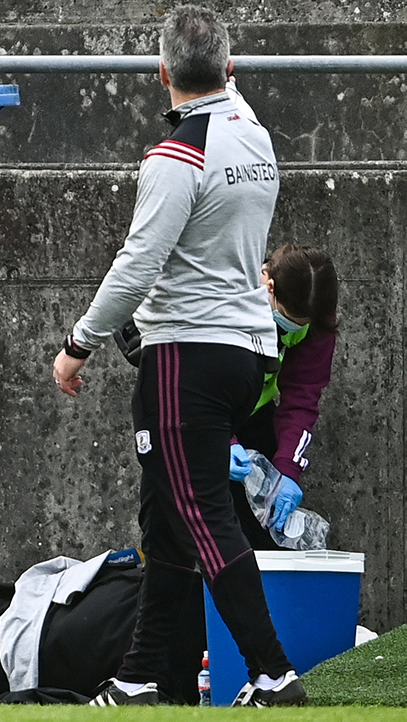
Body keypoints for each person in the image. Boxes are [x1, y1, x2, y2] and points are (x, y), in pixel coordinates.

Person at [50, 6, 308, 708]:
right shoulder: (253, 134)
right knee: (166, 519)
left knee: (197, 513)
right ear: (229, 70)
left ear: (159, 74)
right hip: (243, 354)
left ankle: (273, 676)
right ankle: (136, 678)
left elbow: (137, 266)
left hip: (184, 353)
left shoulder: (177, 155)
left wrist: (78, 343)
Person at [228, 245, 338, 547]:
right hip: (193, 415)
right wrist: (219, 440)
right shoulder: (229, 295)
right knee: (181, 539)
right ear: (269, 285)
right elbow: (189, 379)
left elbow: (301, 398)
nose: (295, 326)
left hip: (253, 416)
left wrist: (288, 467)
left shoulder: (317, 320)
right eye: (291, 318)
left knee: (263, 533)